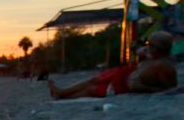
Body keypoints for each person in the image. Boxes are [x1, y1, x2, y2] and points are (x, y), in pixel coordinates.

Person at [49, 31, 177, 100]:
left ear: (157, 48)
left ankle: (62, 96)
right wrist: (142, 56)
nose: (147, 47)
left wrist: (144, 88)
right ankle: (62, 92)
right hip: (126, 74)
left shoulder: (164, 66)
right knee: (94, 80)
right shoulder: (154, 57)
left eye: (150, 45)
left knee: (91, 89)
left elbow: (169, 90)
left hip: (124, 86)